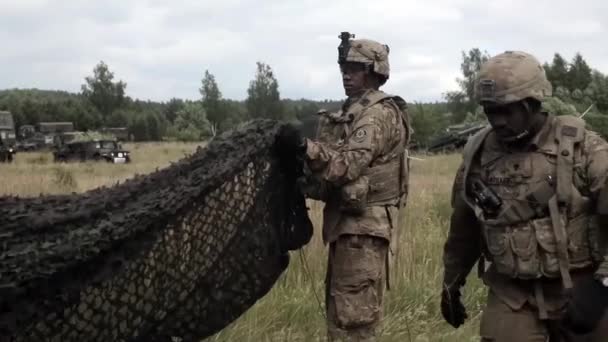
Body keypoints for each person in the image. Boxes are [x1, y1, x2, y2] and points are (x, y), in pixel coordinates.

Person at [440, 50, 608, 341]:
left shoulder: (583, 149)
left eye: (507, 110)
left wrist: (603, 286)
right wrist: (451, 285)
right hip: (513, 294)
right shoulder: (478, 155)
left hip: (582, 287)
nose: (498, 120)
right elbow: (463, 230)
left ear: (532, 104)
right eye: (491, 111)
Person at [277, 32, 410, 341]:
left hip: (363, 233)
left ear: (375, 72)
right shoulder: (355, 111)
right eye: (344, 69)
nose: (347, 76)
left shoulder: (377, 114)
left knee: (353, 325)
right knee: (342, 318)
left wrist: (304, 148)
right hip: (351, 230)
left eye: (356, 69)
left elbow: (346, 166)